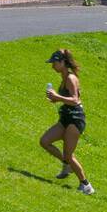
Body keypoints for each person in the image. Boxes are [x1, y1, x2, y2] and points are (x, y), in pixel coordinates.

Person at [39, 49, 94, 195]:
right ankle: (66, 164)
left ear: (62, 62)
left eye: (54, 63)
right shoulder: (64, 77)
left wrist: (57, 97)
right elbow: (65, 99)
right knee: (45, 141)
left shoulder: (70, 78)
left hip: (75, 120)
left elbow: (75, 100)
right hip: (66, 118)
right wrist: (55, 99)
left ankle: (86, 185)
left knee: (69, 155)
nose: (52, 66)